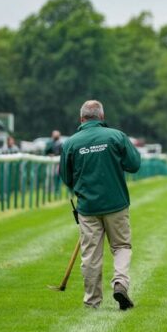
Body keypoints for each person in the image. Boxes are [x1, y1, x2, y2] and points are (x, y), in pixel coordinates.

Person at [60, 100, 141, 310]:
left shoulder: (70, 143)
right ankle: (120, 283)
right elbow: (134, 164)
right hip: (116, 204)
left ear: (81, 118)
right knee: (121, 246)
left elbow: (66, 178)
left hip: (88, 207)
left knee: (91, 255)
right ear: (102, 117)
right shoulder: (116, 136)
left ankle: (92, 300)